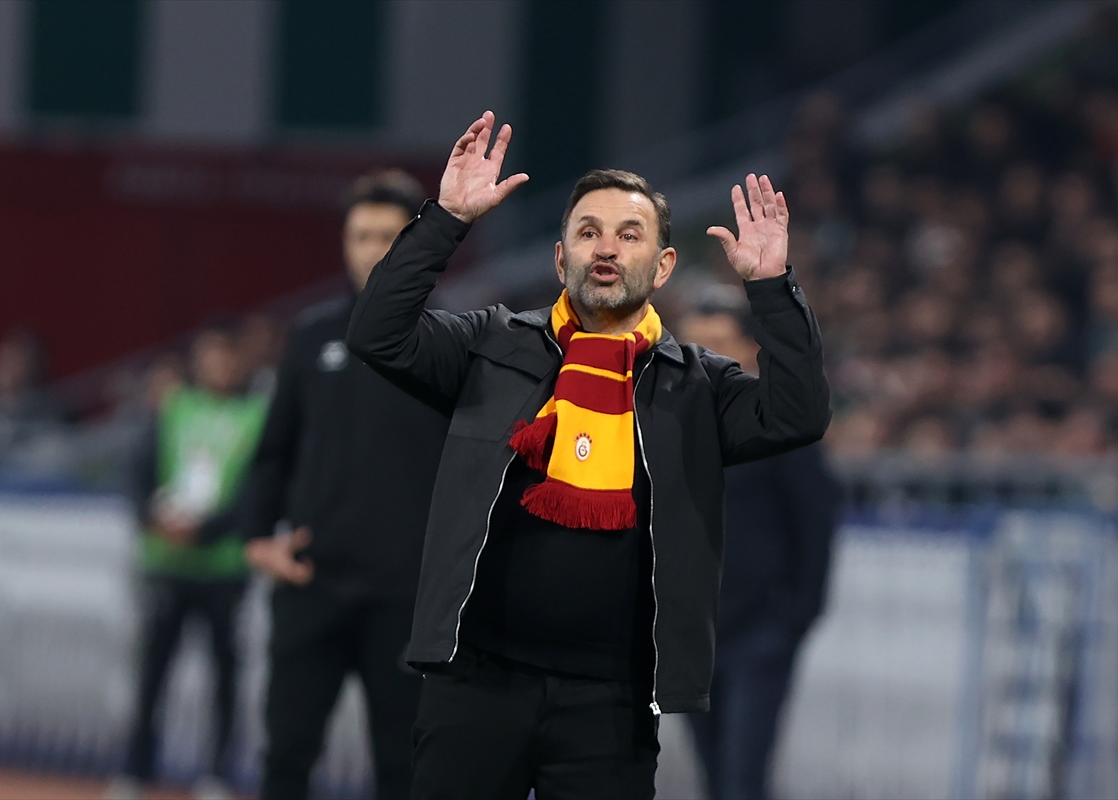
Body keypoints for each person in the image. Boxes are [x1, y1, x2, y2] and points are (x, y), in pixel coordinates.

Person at [345, 111, 831, 800]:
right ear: (560, 258)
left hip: (612, 704)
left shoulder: (698, 387)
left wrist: (772, 288)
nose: (606, 248)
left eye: (630, 235)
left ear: (663, 266)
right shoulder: (489, 345)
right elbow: (377, 334)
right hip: (475, 687)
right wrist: (446, 219)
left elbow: (798, 415)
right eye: (588, 232)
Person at [240, 170, 450, 799]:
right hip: (312, 582)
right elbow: (272, 454)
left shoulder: (451, 342)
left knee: (406, 769)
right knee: (286, 757)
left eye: (389, 236)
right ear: (344, 243)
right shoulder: (311, 338)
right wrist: (257, 538)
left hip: (408, 600)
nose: (372, 249)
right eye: (361, 235)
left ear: (413, 245)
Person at [679, 297, 841, 800]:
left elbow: (815, 518)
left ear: (750, 350)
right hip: (690, 634)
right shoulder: (665, 426)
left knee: (742, 777)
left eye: (717, 344)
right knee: (712, 774)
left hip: (760, 630)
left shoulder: (782, 424)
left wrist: (796, 614)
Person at [114, 323, 269, 800]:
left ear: (239, 361)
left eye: (226, 356)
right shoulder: (173, 407)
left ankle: (218, 775)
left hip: (223, 569)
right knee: (151, 674)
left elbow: (257, 491)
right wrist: (152, 518)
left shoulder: (257, 415)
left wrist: (204, 530)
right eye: (209, 356)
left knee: (225, 675)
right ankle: (136, 772)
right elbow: (139, 471)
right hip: (167, 563)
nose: (217, 366)